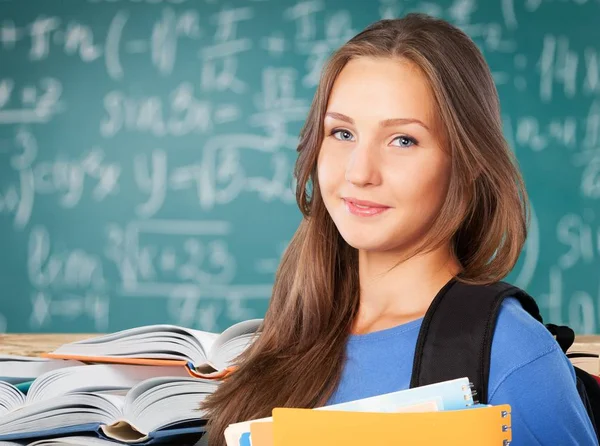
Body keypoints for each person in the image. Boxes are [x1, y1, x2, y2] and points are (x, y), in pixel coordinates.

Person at [201, 13, 598, 445]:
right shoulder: (291, 331)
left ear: (466, 165)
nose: (359, 172)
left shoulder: (513, 354)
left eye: (402, 140)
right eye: (342, 132)